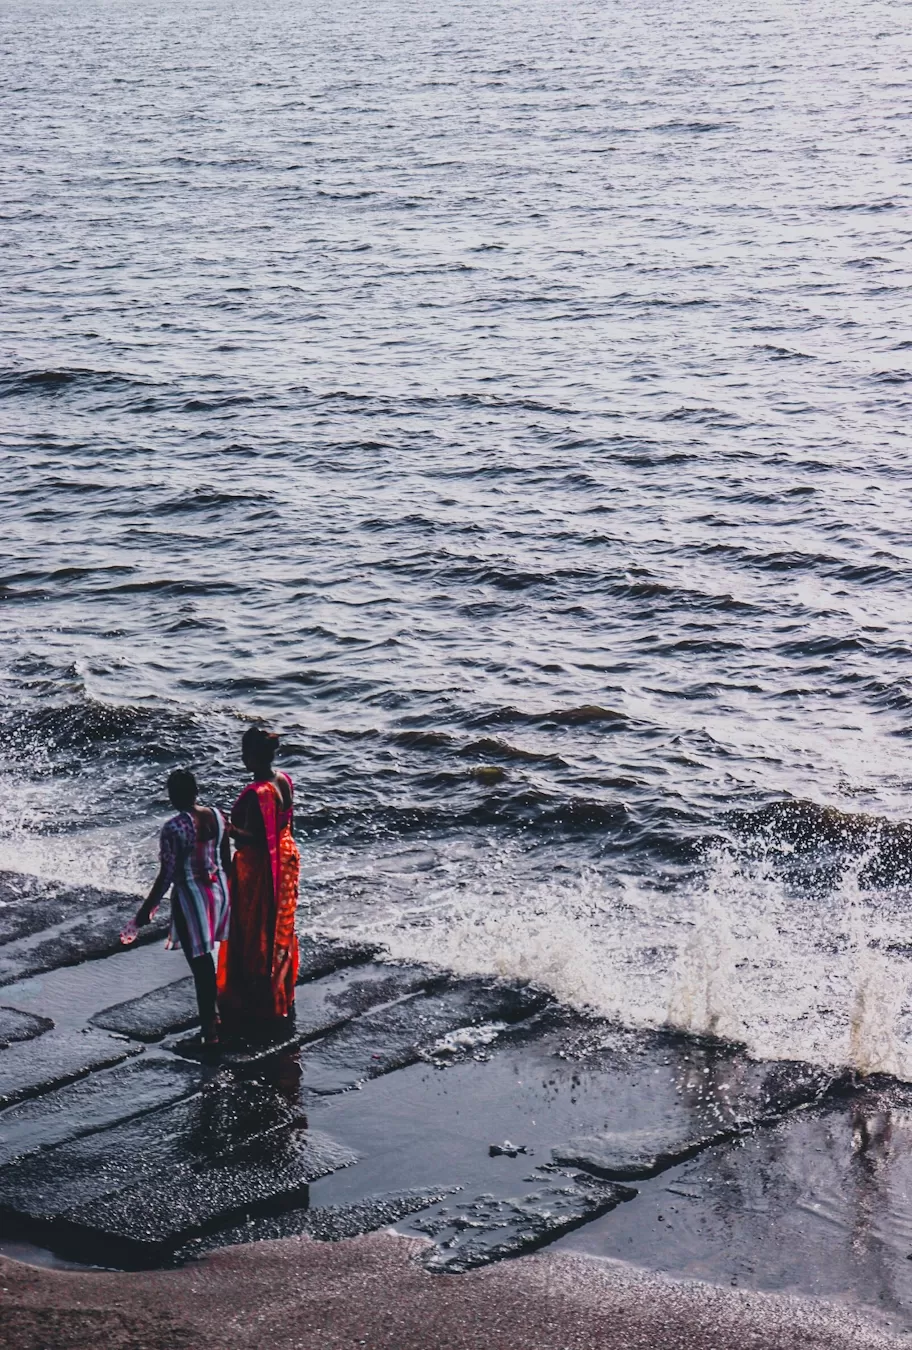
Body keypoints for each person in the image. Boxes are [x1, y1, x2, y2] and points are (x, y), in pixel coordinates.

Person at [125, 769, 230, 1046]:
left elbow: (167, 875)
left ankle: (209, 1033)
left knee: (201, 967)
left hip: (191, 899)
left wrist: (145, 911)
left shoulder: (174, 827)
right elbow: (226, 860)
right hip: (219, 893)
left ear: (173, 796)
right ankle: (216, 1019)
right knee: (210, 960)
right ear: (196, 790)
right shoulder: (219, 816)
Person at [217, 727, 300, 1037]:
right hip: (287, 855)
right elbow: (285, 824)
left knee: (254, 929)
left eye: (244, 753)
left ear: (253, 757)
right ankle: (279, 986)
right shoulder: (284, 781)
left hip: (259, 866)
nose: (242, 758)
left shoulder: (257, 792)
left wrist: (229, 829)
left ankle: (256, 995)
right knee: (279, 924)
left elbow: (254, 837)